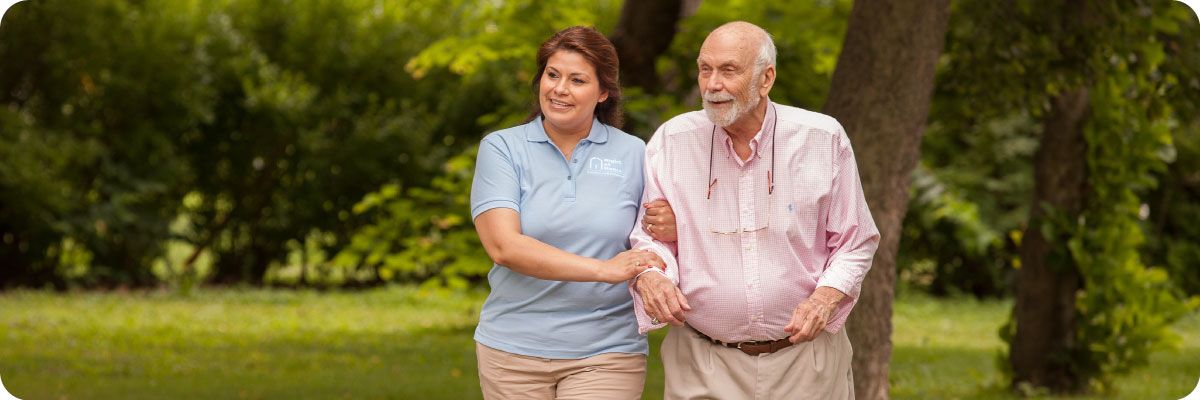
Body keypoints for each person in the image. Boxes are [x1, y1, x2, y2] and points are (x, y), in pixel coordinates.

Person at [630, 21, 881, 399]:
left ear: (766, 79)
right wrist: (652, 275)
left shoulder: (822, 139)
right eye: (705, 69)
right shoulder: (672, 141)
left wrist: (825, 297)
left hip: (804, 363)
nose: (712, 84)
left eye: (728, 70)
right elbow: (651, 236)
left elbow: (855, 240)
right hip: (702, 360)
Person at [470, 26, 669, 400]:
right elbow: (504, 247)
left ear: (603, 92)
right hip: (511, 350)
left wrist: (671, 225)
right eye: (552, 74)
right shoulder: (502, 149)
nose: (559, 89)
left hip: (607, 351)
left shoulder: (634, 153)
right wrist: (604, 270)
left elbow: (658, 235)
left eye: (577, 80)